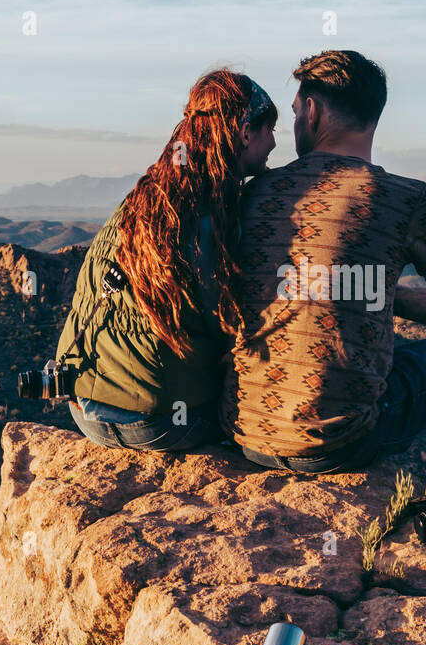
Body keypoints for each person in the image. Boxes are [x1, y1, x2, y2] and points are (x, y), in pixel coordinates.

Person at [222, 49, 426, 495]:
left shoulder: (253, 191)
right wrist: (372, 289)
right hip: (337, 445)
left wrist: (351, 289)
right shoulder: (406, 198)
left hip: (244, 431)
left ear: (314, 111)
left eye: (298, 111)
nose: (294, 124)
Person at [58, 68, 277, 452]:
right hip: (157, 422)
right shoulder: (210, 216)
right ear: (244, 132)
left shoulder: (144, 197)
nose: (274, 143)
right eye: (269, 130)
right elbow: (222, 323)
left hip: (84, 410)